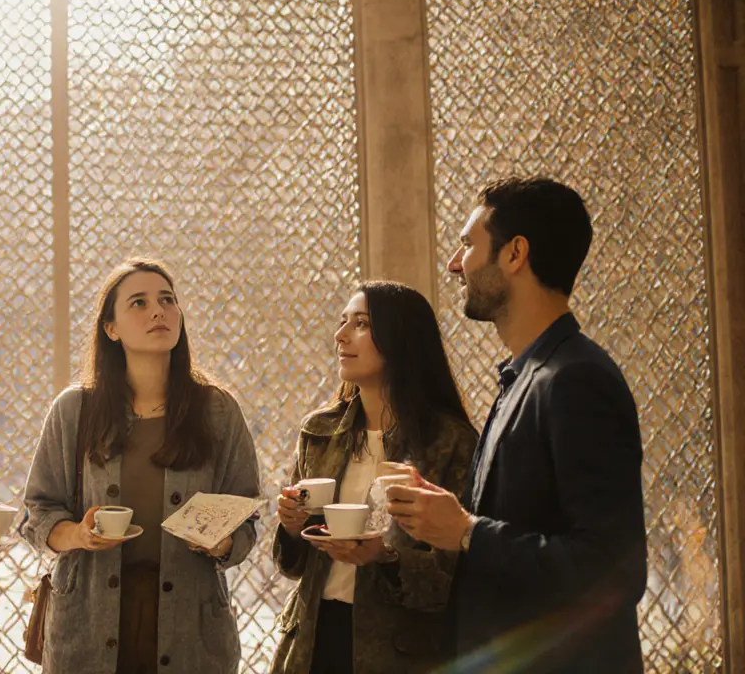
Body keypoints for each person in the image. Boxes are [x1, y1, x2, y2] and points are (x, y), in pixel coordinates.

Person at [386, 177, 647, 673]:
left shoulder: (578, 380)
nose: (454, 263)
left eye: (467, 244)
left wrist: (465, 530)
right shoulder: (525, 376)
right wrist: (439, 518)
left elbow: (614, 572)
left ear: (515, 254)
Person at [21, 258, 262, 674]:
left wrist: (221, 543)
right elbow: (37, 513)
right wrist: (79, 534)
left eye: (168, 300)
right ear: (110, 329)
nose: (158, 311)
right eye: (139, 302)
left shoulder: (218, 410)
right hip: (88, 624)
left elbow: (246, 517)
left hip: (191, 626)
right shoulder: (74, 410)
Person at [270, 281, 478, 673]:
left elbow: (455, 577)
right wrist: (292, 527)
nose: (340, 336)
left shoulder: (449, 442)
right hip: (312, 642)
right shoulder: (320, 430)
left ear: (401, 338)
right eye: (342, 322)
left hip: (398, 651)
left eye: (361, 324)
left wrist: (384, 557)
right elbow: (294, 567)